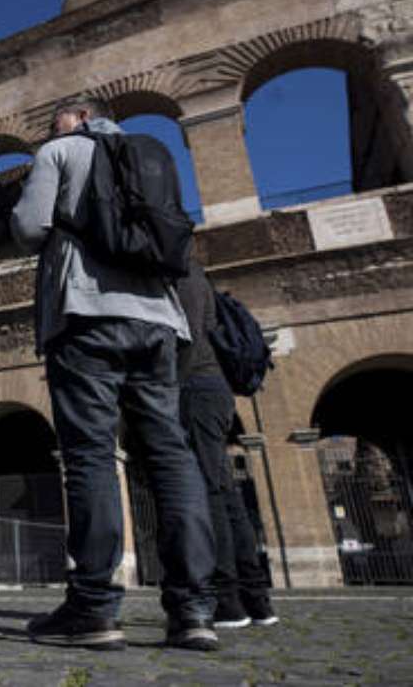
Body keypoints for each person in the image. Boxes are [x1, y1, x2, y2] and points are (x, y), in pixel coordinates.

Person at [9, 95, 217, 651]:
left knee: (91, 455)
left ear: (80, 117)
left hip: (86, 314)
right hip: (159, 320)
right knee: (171, 455)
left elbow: (29, 228)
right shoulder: (151, 152)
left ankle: (94, 608)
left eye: (54, 120)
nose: (48, 129)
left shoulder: (60, 151)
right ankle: (194, 609)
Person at [175, 260, 279, 629]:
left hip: (196, 389)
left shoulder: (184, 272)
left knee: (210, 494)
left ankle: (228, 600)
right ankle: (257, 600)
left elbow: (188, 338)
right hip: (210, 390)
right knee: (225, 492)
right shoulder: (194, 273)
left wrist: (168, 388)